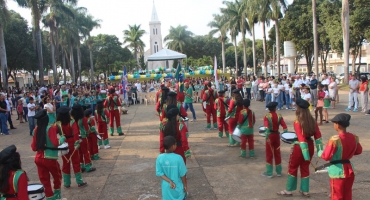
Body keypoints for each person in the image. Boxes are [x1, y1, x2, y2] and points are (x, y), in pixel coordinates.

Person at [277, 99, 323, 197]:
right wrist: (320, 151)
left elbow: (301, 138)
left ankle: (289, 190)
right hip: (310, 145)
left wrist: (304, 152)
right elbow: (318, 137)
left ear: (298, 109)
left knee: (293, 167)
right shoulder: (312, 121)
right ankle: (305, 190)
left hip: (299, 148)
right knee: (305, 167)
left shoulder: (297, 122)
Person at [321, 113, 362, 200]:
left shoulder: (335, 139)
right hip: (349, 169)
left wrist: (320, 152)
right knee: (347, 195)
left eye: (334, 123)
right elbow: (358, 151)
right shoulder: (354, 137)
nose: (334, 125)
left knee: (336, 196)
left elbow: (326, 156)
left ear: (338, 125)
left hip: (337, 171)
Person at [31, 109, 65, 200]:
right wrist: (62, 138)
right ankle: (57, 196)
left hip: (38, 158)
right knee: (57, 177)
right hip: (49, 158)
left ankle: (50, 198)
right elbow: (55, 143)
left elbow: (34, 147)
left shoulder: (35, 130)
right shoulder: (50, 128)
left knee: (45, 181)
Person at [57, 107, 87, 188]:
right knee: (76, 163)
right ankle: (79, 181)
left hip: (64, 145)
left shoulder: (58, 123)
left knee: (65, 163)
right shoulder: (71, 122)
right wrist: (76, 143)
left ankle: (67, 183)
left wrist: (60, 140)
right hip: (72, 142)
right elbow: (76, 133)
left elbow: (55, 133)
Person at [156, 136, 188, 200]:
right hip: (177, 188)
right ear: (173, 146)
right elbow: (183, 175)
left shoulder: (159, 158)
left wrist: (169, 181)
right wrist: (185, 185)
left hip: (166, 189)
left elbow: (160, 173)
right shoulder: (178, 158)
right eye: (175, 144)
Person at [262, 102, 288, 178]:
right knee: (277, 153)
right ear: (275, 108)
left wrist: (266, 136)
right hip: (277, 135)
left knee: (269, 154)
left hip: (270, 135)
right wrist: (285, 134)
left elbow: (266, 127)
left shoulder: (266, 116)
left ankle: (269, 172)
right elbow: (285, 127)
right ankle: (279, 172)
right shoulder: (279, 115)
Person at [70, 105, 96, 173]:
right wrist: (88, 133)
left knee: (79, 153)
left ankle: (81, 167)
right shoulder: (83, 118)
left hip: (76, 138)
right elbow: (87, 129)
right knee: (86, 152)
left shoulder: (73, 119)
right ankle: (88, 167)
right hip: (83, 137)